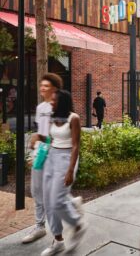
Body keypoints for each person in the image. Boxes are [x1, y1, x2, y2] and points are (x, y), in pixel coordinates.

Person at [41, 90, 85, 256]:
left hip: (67, 158)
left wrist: (70, 171)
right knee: (48, 201)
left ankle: (78, 224)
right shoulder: (52, 117)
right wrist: (41, 156)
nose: (51, 102)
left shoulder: (73, 118)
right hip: (51, 157)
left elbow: (75, 146)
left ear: (63, 102)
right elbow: (50, 139)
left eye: (54, 100)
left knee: (57, 200)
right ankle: (58, 241)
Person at [22, 73, 64, 244]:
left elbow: (57, 136)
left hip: (54, 153)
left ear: (54, 88)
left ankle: (59, 235)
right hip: (41, 151)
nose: (42, 88)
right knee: (37, 190)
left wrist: (42, 151)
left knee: (53, 195)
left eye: (46, 85)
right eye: (41, 85)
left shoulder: (59, 106)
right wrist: (35, 142)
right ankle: (40, 226)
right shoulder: (40, 108)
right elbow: (41, 132)